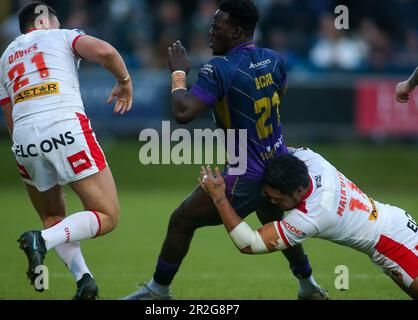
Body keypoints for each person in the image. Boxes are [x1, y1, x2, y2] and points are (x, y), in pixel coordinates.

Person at [123, 0, 327, 300]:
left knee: (181, 220)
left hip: (248, 173)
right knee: (275, 221)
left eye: (216, 26)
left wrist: (178, 73)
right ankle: (308, 285)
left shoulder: (219, 68)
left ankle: (158, 290)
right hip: (277, 162)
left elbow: (183, 113)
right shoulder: (273, 59)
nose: (210, 32)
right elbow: (278, 94)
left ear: (235, 31)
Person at [0, 2, 133, 299]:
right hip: (64, 123)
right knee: (107, 215)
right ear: (45, 20)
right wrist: (124, 80)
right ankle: (40, 241)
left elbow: (11, 118)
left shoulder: (4, 61)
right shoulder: (63, 36)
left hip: (23, 138)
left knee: (53, 216)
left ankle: (84, 281)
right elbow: (107, 52)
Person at [199, 148, 418, 300]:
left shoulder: (312, 216)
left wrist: (219, 197)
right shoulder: (310, 159)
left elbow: (248, 244)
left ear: (299, 191)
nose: (273, 203)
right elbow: (277, 151)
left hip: (391, 245)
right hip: (393, 219)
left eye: (279, 199)